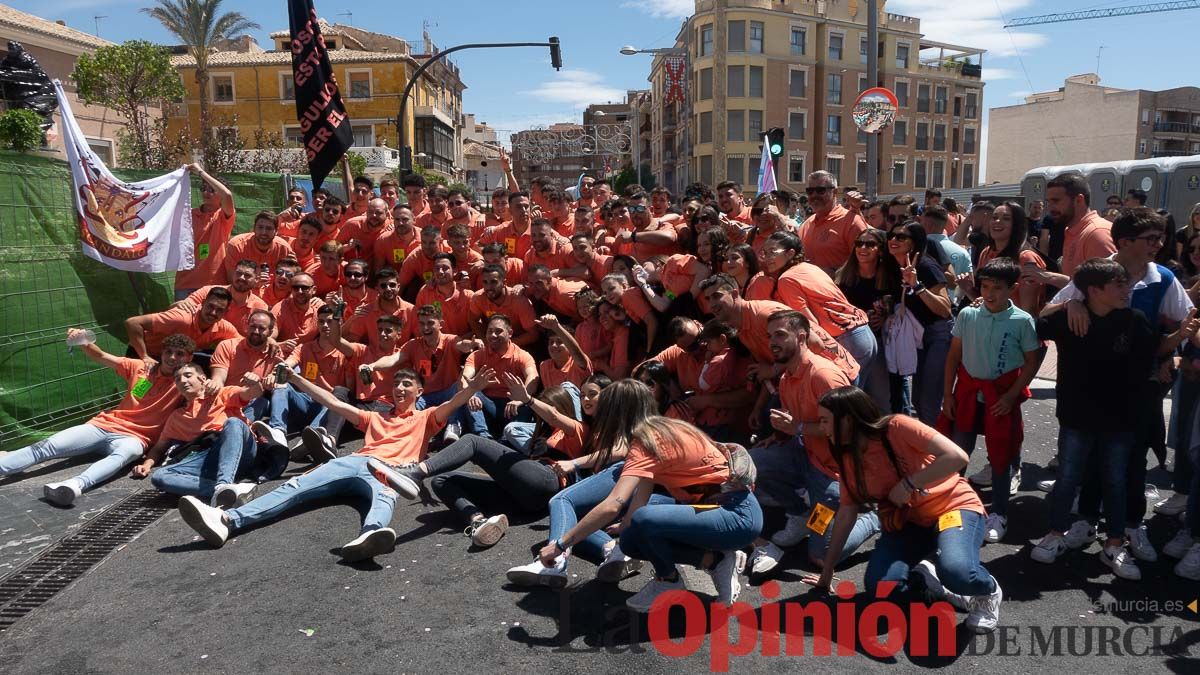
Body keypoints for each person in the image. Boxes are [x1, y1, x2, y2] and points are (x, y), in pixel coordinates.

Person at [176, 364, 495, 562]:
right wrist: (297, 379)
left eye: (407, 385)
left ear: (419, 392)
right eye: (396, 384)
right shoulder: (375, 416)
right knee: (294, 486)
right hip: (354, 461)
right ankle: (227, 521)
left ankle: (371, 536)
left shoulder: (427, 417)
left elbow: (453, 403)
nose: (399, 389)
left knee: (384, 497)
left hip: (390, 472)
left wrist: (472, 389)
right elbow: (332, 402)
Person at [801, 386, 1002, 635]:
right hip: (910, 524)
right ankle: (928, 579)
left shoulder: (896, 427)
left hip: (953, 506)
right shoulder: (848, 456)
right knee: (880, 590)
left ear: (848, 419)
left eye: (825, 421)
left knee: (958, 571)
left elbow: (957, 457)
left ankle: (986, 591)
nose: (822, 428)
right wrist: (827, 572)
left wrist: (909, 483)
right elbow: (846, 514)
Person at [528, 413, 761, 611]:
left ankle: (669, 580)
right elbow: (638, 502)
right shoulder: (672, 432)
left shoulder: (644, 447)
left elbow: (614, 504)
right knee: (630, 539)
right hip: (735, 512)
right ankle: (715, 560)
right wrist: (623, 528)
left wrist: (560, 544)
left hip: (736, 517)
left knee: (640, 523)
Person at [1031, 258, 1158, 580]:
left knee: (1115, 481)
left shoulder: (1135, 320)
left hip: (1121, 419)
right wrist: (1068, 302)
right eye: (1119, 284)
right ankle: (1056, 533)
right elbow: (1034, 322)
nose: (1127, 290)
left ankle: (1114, 543)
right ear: (1094, 290)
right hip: (1076, 416)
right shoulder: (1070, 317)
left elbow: (1149, 363)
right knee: (1068, 478)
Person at [746, 311, 881, 575]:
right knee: (751, 462)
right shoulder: (786, 377)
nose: (772, 341)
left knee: (820, 555)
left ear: (802, 337)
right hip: (805, 456)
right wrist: (779, 435)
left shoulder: (824, 375)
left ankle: (872, 518)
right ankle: (799, 512)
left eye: (780, 335)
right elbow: (795, 423)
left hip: (834, 475)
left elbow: (848, 430)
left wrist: (796, 428)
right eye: (770, 335)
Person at [0, 332, 195, 506]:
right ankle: (4, 465)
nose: (172, 357)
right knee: (49, 445)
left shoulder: (187, 382)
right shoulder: (142, 368)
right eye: (168, 351)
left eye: (179, 354)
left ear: (189, 358)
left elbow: (207, 392)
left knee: (124, 455)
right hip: (104, 425)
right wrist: (83, 340)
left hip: (136, 438)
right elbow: (101, 356)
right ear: (161, 353)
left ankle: (74, 485)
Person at [393, 378, 586, 549]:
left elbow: (552, 415)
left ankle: (415, 472)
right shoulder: (541, 433)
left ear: (561, 407)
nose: (541, 414)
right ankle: (479, 521)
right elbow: (520, 469)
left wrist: (528, 400)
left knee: (473, 441)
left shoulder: (576, 429)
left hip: (550, 482)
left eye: (547, 407)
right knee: (441, 481)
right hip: (524, 500)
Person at [940, 259, 1041, 543]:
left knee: (1000, 456)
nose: (990, 293)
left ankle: (999, 512)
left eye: (998, 288)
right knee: (959, 451)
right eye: (985, 286)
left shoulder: (1022, 320)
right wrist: (948, 394)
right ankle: (950, 502)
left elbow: (1032, 361)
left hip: (1001, 397)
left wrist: (1011, 396)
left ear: (1013, 288)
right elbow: (953, 357)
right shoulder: (968, 315)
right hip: (968, 395)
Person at [751, 231, 878, 386]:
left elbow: (810, 323)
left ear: (790, 253)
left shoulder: (787, 279)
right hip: (864, 334)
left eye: (773, 252)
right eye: (765, 252)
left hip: (847, 340)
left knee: (845, 403)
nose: (767, 257)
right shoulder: (810, 267)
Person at [146, 363, 269, 507]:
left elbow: (253, 393)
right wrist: (146, 464)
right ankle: (227, 491)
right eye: (178, 379)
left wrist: (255, 382)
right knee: (160, 477)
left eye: (188, 375)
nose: (183, 381)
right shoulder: (176, 417)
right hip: (207, 459)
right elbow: (159, 448)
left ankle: (223, 484)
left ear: (202, 378)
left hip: (241, 450)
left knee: (233, 423)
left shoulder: (222, 393)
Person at [885, 221, 953, 425]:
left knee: (928, 401)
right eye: (891, 236)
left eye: (901, 237)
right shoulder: (891, 266)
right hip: (916, 335)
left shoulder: (925, 265)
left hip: (938, 333)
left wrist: (918, 286)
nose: (893, 240)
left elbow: (945, 309)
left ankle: (939, 452)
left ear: (914, 243)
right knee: (917, 400)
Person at [834, 228, 897, 411]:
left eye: (870, 244)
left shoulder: (891, 277)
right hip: (849, 344)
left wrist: (886, 318)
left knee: (880, 399)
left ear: (880, 249)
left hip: (881, 343)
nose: (863, 248)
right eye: (859, 243)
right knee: (851, 395)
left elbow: (901, 308)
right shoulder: (842, 277)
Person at [460, 314, 538, 439]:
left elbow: (533, 378)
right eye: (489, 331)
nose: (493, 335)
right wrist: (470, 394)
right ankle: (483, 437)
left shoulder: (522, 356)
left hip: (513, 406)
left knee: (527, 404)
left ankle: (508, 440)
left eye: (498, 331)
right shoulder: (477, 355)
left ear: (510, 333)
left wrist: (519, 400)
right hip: (488, 404)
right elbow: (465, 378)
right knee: (468, 396)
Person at [125, 287, 240, 365]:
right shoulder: (181, 318)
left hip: (172, 361)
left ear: (226, 312)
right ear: (203, 302)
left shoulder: (222, 327)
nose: (213, 313)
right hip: (146, 354)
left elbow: (241, 343)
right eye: (210, 306)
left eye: (219, 310)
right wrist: (144, 356)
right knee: (140, 392)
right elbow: (132, 323)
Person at [175, 164, 235, 300]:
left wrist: (201, 172)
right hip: (185, 283)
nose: (206, 193)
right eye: (203, 188)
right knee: (185, 321)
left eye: (212, 190)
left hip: (214, 283)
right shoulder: (188, 215)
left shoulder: (223, 216)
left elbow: (227, 195)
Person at [796, 170, 868, 274]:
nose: (814, 195)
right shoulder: (806, 224)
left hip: (841, 289)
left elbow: (866, 263)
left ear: (834, 192)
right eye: (810, 191)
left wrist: (833, 273)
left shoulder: (852, 222)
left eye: (820, 190)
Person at [222, 211, 291, 283]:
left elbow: (288, 281)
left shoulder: (284, 248)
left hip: (272, 292)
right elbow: (231, 280)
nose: (264, 232)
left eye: (269, 228)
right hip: (244, 291)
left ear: (276, 231)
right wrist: (254, 282)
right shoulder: (237, 246)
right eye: (260, 227)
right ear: (254, 228)